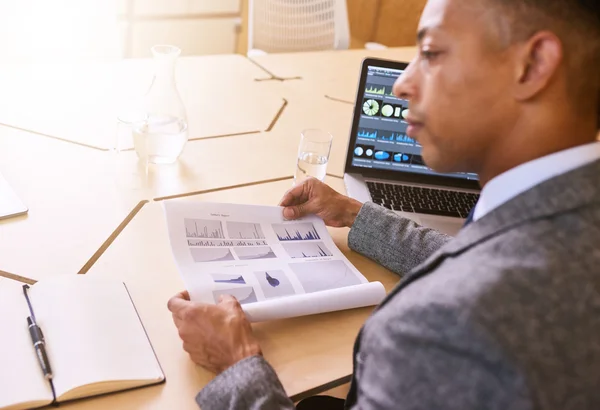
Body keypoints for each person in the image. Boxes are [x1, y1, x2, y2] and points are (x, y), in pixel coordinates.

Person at [167, 0, 600, 408]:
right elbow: (474, 257)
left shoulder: (437, 330)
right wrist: (355, 215)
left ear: (534, 64)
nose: (401, 83)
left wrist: (236, 364)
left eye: (430, 53)